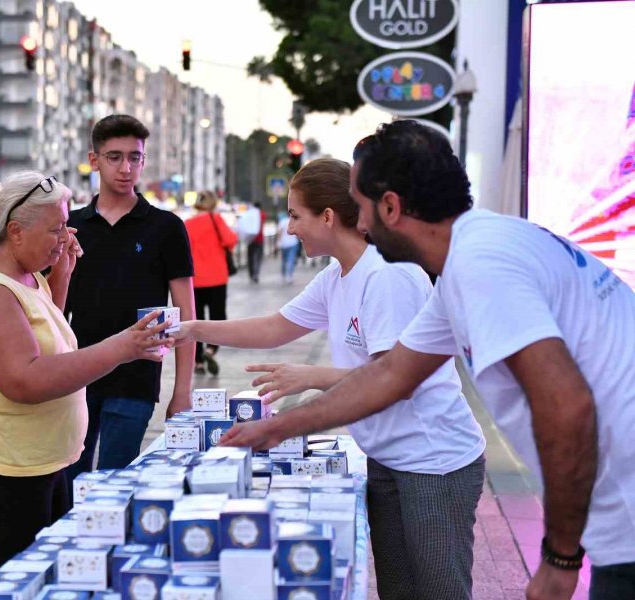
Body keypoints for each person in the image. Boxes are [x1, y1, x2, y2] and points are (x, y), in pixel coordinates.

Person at [221, 121, 635, 600]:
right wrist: (278, 428)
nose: (359, 223)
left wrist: (561, 557)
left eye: (360, 207)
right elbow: (391, 374)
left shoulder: (481, 264)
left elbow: (567, 407)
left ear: (391, 207)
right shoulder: (468, 258)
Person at [177, 159, 486, 599]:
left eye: (295, 215)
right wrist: (193, 329)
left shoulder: (388, 275)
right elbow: (274, 327)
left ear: (327, 216)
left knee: (439, 591)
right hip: (387, 457)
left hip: (434, 461)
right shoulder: (337, 274)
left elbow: (392, 380)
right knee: (398, 590)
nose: (288, 229)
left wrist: (312, 376)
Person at [0, 171, 173, 573]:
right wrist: (121, 347)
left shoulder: (23, 269)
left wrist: (60, 276)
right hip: (10, 462)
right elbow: (26, 380)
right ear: (15, 231)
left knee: (52, 571)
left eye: (66, 225)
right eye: (56, 229)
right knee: (25, 577)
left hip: (42, 458)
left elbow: (45, 329)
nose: (66, 237)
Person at [64, 114, 195, 484]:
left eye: (134, 157)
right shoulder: (72, 227)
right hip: (76, 377)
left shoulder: (166, 227)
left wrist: (181, 391)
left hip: (136, 379)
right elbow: (55, 310)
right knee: (68, 484)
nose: (126, 168)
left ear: (144, 160)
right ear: (94, 160)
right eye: (114, 157)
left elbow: (187, 314)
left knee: (114, 486)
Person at [184, 191, 238, 376]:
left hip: (195, 279)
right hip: (216, 277)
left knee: (196, 319)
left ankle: (198, 362)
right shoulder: (215, 219)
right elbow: (231, 240)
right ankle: (211, 350)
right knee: (217, 316)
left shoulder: (187, 224)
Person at [240, 201, 265, 282]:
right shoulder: (262, 214)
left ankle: (251, 274)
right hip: (260, 239)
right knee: (258, 258)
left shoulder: (250, 214)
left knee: (250, 257)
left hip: (250, 239)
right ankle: (256, 274)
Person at [276, 210, 299, 284]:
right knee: (291, 260)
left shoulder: (282, 221)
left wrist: (278, 242)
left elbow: (279, 232)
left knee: (284, 260)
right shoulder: (295, 221)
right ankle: (289, 276)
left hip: (284, 244)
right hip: (293, 243)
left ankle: (283, 274)